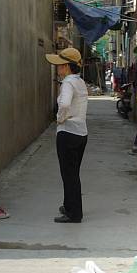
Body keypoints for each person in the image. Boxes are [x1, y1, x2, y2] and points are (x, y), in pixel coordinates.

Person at [45, 48, 88, 223]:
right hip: (81, 133)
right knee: (73, 172)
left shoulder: (68, 83)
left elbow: (64, 105)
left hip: (68, 133)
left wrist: (60, 119)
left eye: (60, 65)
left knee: (68, 174)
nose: (57, 68)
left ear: (67, 67)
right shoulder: (80, 82)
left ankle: (74, 213)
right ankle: (69, 205)